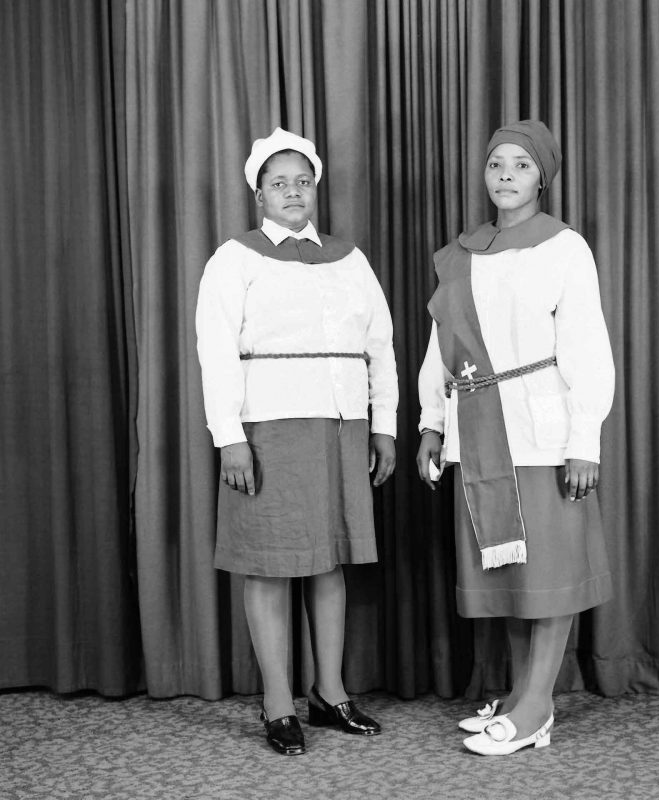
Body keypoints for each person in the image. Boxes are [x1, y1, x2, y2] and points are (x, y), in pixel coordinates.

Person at [196, 127, 398, 756]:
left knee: (329, 559)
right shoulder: (235, 258)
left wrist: (384, 423)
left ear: (316, 188)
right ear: (259, 193)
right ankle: (277, 701)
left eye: (302, 181)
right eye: (278, 183)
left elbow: (380, 347)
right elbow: (216, 354)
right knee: (271, 564)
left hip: (341, 425)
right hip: (270, 428)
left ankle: (329, 692)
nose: (292, 192)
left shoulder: (350, 258)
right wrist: (229, 437)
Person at [416, 120, 614, 756]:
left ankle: (535, 709)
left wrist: (585, 436)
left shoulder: (564, 248)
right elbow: (440, 347)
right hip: (475, 431)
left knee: (547, 571)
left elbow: (587, 345)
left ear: (542, 177)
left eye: (521, 165)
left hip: (540, 432)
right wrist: (430, 422)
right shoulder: (463, 253)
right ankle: (522, 692)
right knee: (510, 576)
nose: (505, 175)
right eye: (496, 163)